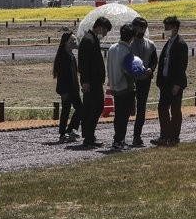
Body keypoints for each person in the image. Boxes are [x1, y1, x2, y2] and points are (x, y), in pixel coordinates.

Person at [152, 15, 188, 147]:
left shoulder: (180, 44)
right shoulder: (169, 42)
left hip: (175, 84)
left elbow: (181, 66)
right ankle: (164, 135)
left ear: (175, 28)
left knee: (175, 110)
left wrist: (177, 84)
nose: (165, 29)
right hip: (165, 83)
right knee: (162, 109)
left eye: (167, 27)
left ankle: (174, 137)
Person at [78, 15, 112, 148]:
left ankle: (88, 135)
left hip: (93, 81)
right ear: (100, 27)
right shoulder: (89, 40)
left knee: (89, 108)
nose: (105, 34)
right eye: (105, 31)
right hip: (91, 82)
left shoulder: (91, 39)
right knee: (96, 107)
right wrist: (86, 81)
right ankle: (89, 136)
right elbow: (84, 63)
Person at [106, 23, 137, 150]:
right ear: (132, 37)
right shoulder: (127, 50)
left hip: (115, 86)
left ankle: (117, 139)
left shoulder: (112, 48)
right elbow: (129, 71)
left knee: (118, 115)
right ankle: (119, 140)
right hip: (126, 87)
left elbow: (109, 67)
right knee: (123, 117)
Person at [129, 16, 158, 147]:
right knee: (127, 108)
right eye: (138, 27)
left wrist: (151, 70)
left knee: (141, 108)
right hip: (130, 80)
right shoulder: (128, 44)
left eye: (143, 27)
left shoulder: (151, 44)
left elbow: (154, 61)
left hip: (145, 80)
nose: (140, 29)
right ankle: (120, 137)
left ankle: (137, 136)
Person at [52, 30, 81, 142]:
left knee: (79, 109)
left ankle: (70, 130)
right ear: (65, 42)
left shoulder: (71, 55)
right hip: (66, 90)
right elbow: (62, 77)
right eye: (72, 40)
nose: (74, 42)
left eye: (74, 39)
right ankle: (64, 133)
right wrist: (63, 91)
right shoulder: (63, 56)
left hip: (73, 88)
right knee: (66, 111)